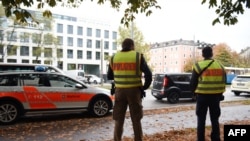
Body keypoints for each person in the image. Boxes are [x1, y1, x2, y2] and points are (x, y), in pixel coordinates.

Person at [107, 38, 152, 141]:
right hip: (134, 91)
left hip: (119, 91)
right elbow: (148, 74)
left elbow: (109, 76)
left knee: (119, 119)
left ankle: (117, 139)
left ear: (122, 46)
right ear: (132, 45)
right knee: (136, 119)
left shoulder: (114, 58)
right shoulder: (137, 56)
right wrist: (144, 87)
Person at [190, 46, 226, 141]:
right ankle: (216, 138)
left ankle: (200, 139)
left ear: (202, 54)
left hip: (202, 97)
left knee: (201, 120)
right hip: (215, 97)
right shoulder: (220, 65)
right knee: (215, 119)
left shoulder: (198, 66)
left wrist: (193, 93)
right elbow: (224, 80)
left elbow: (193, 82)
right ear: (212, 54)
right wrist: (221, 93)